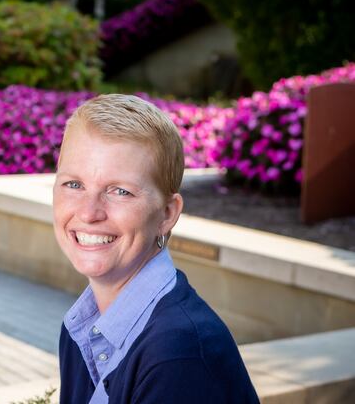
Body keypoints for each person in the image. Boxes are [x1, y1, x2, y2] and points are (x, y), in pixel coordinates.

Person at [54, 94, 258, 403]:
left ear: (167, 214)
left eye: (120, 191)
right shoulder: (81, 329)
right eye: (74, 184)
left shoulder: (178, 355)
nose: (88, 212)